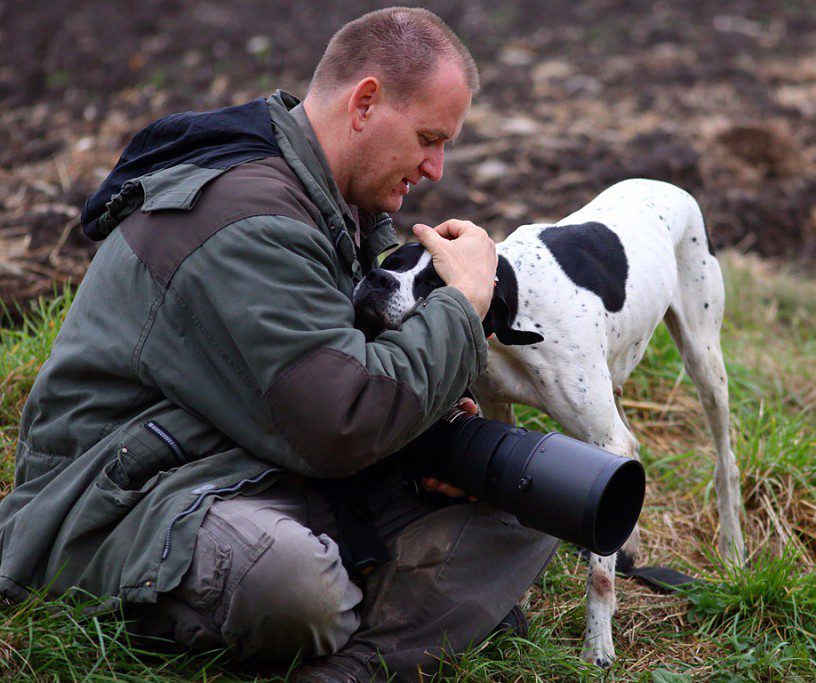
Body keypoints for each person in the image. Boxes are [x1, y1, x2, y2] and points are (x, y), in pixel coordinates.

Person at [0, 7, 557, 681]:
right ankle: (387, 627)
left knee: (539, 497)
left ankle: (347, 653)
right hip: (123, 492)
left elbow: (342, 374)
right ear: (366, 103)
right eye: (428, 138)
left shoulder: (338, 202)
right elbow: (342, 420)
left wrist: (434, 429)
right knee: (296, 585)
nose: (436, 168)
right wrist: (463, 308)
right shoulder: (248, 216)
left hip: (251, 452)